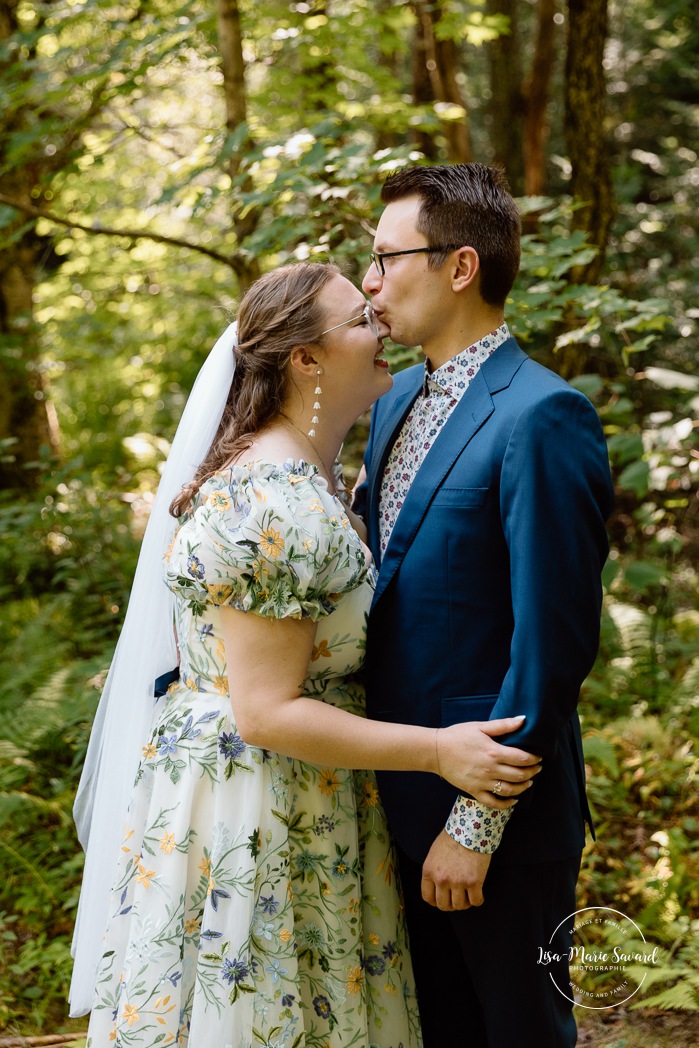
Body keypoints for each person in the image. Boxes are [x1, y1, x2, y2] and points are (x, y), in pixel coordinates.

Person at [69, 261, 543, 1048]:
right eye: (360, 317)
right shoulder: (273, 503)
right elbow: (263, 712)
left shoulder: (305, 480)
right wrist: (438, 753)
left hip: (294, 795)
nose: (381, 324)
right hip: (257, 810)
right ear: (307, 359)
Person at [354, 164, 616, 1048]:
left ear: (459, 267)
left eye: (387, 259)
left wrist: (475, 828)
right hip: (392, 796)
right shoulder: (390, 402)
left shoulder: (544, 415)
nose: (370, 281)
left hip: (496, 814)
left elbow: (553, 645)